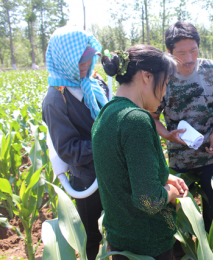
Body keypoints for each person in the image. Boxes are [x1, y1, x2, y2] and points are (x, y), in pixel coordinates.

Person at [92, 45, 189, 260]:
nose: (164, 93)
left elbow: (122, 172)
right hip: (148, 244)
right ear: (146, 76)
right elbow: (149, 200)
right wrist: (172, 192)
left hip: (120, 241)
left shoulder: (106, 113)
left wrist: (165, 177)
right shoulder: (136, 119)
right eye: (164, 84)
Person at [151, 21, 213, 233]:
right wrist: (168, 135)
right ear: (169, 51)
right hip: (180, 161)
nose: (189, 59)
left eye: (193, 50)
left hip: (212, 156)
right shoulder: (162, 78)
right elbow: (153, 117)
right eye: (182, 53)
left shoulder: (212, 70)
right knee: (181, 218)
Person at [42, 27, 109, 260]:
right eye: (80, 61)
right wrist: (105, 143)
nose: (86, 65)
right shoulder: (56, 99)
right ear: (64, 59)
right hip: (87, 178)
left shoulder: (94, 82)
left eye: (90, 59)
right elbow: (69, 150)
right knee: (91, 237)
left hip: (111, 169)